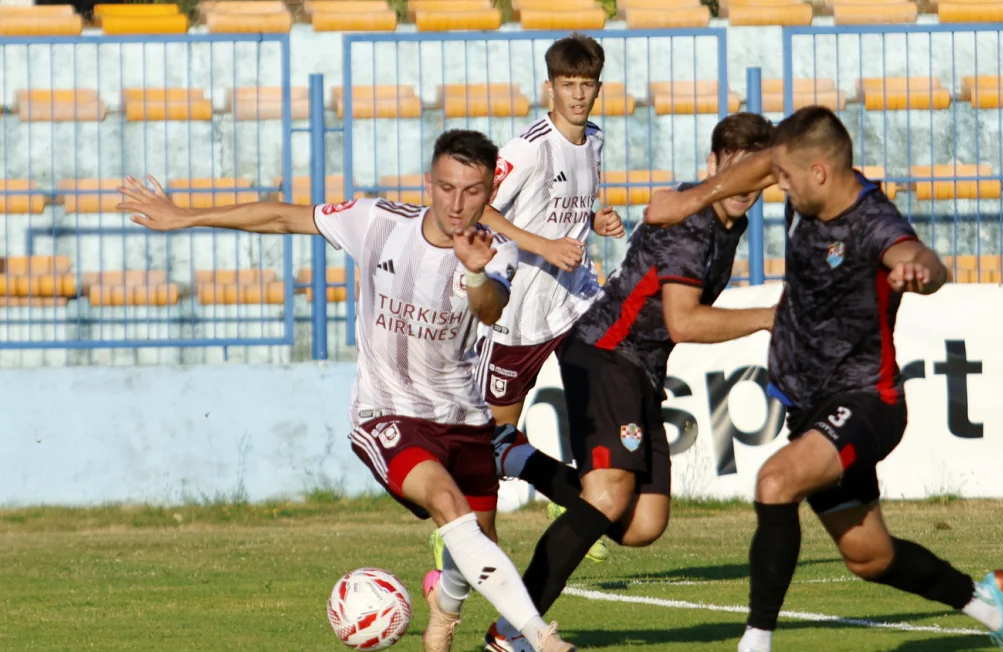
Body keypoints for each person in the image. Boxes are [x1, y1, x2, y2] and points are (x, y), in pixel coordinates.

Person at [116, 130, 577, 652]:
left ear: (489, 193)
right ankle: (539, 637)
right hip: (386, 413)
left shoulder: (497, 251)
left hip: (463, 416)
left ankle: (442, 618)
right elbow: (283, 216)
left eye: (471, 191)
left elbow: (490, 308)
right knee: (450, 507)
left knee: (475, 543)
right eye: (446, 187)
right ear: (430, 181)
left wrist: (473, 273)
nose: (456, 203)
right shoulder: (377, 221)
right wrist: (187, 216)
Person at [643, 106, 1003, 652]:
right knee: (869, 557)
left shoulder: (871, 222)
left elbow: (916, 253)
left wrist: (921, 270)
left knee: (775, 482)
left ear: (820, 173)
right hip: (810, 408)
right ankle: (991, 607)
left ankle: (754, 644)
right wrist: (692, 199)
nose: (772, 184)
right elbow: (760, 164)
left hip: (867, 401)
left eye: (783, 177)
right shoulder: (802, 181)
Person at [484, 113, 779, 652]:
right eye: (734, 171)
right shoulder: (692, 223)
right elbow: (683, 321)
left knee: (641, 524)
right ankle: (512, 631)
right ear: (714, 166)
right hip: (605, 354)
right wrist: (768, 316)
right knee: (607, 495)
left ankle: (516, 456)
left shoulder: (723, 222)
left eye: (756, 177)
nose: (744, 188)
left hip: (639, 368)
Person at [427, 32, 624, 577]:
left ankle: (583, 499)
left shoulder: (597, 139)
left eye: (587, 85)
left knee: (607, 389)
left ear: (599, 89)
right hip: (518, 316)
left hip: (577, 301)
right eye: (568, 85)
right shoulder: (528, 147)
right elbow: (477, 206)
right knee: (493, 436)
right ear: (549, 88)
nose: (578, 96)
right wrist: (543, 246)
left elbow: (572, 210)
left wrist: (598, 221)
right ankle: (464, 529)